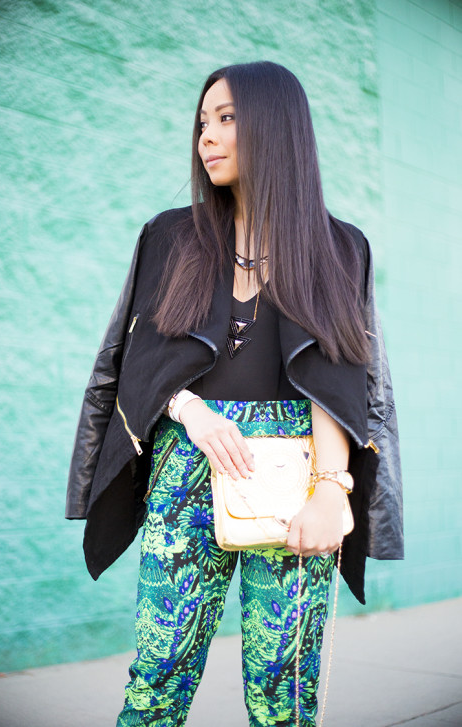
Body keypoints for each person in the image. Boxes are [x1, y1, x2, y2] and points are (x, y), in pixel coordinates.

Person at [66, 61, 403, 727]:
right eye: (202, 123)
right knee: (156, 678)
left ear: (275, 128)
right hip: (186, 464)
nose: (206, 138)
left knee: (284, 694)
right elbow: (136, 358)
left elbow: (342, 377)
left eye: (226, 119)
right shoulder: (170, 236)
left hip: (299, 473)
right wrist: (189, 409)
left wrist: (330, 490)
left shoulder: (339, 247)